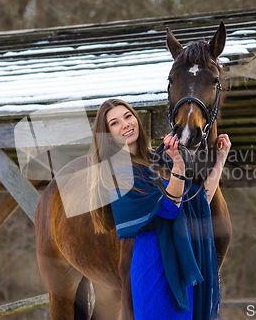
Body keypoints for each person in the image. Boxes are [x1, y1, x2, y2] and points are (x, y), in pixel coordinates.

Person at [88, 98, 231, 320]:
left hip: (182, 263)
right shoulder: (117, 172)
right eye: (114, 123)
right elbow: (170, 209)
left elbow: (198, 202)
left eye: (127, 116)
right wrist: (179, 166)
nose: (125, 124)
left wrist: (220, 159)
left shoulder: (158, 160)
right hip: (154, 265)